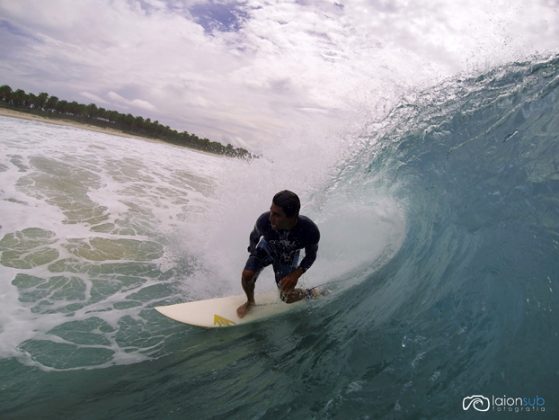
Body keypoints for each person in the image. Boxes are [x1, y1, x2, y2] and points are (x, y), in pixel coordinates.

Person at [237, 190, 320, 318]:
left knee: (286, 297)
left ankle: (309, 293)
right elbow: (254, 237)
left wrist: (295, 274)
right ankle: (250, 302)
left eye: (277, 215)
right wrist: (253, 254)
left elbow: (311, 255)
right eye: (271, 211)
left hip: (288, 256)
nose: (271, 217)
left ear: (292, 216)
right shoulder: (264, 221)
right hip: (267, 247)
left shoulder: (309, 230)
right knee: (247, 275)